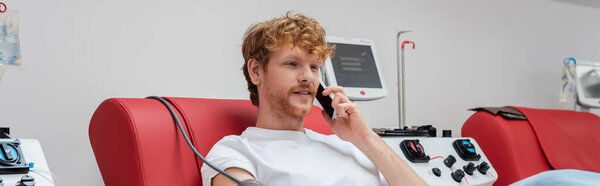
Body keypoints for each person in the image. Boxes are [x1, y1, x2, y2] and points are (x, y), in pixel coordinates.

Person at [200, 11, 426, 186]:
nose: (308, 76)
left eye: (315, 67)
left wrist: (365, 138)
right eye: (292, 64)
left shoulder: (350, 146)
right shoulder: (235, 152)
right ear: (257, 71)